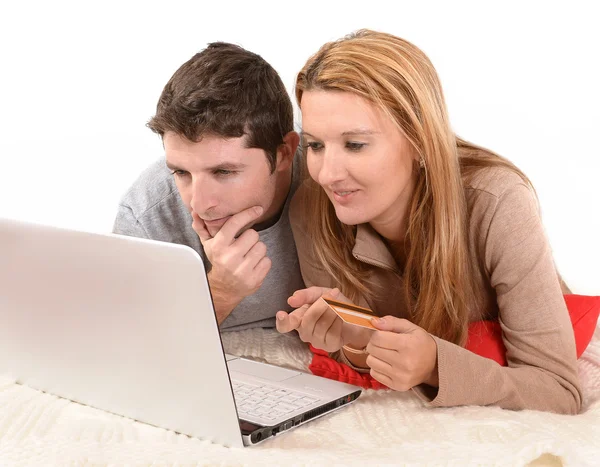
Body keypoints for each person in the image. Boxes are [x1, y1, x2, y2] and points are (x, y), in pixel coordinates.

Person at [276, 29, 582, 414]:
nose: (327, 173)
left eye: (355, 144)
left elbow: (559, 391)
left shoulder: (498, 200)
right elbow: (355, 350)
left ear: (420, 140)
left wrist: (435, 365)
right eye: (316, 145)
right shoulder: (312, 206)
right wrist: (356, 338)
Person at [113, 42, 304, 331]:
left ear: (284, 154)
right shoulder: (144, 216)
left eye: (224, 171)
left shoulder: (328, 180)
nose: (199, 205)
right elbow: (128, 344)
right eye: (181, 172)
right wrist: (221, 292)